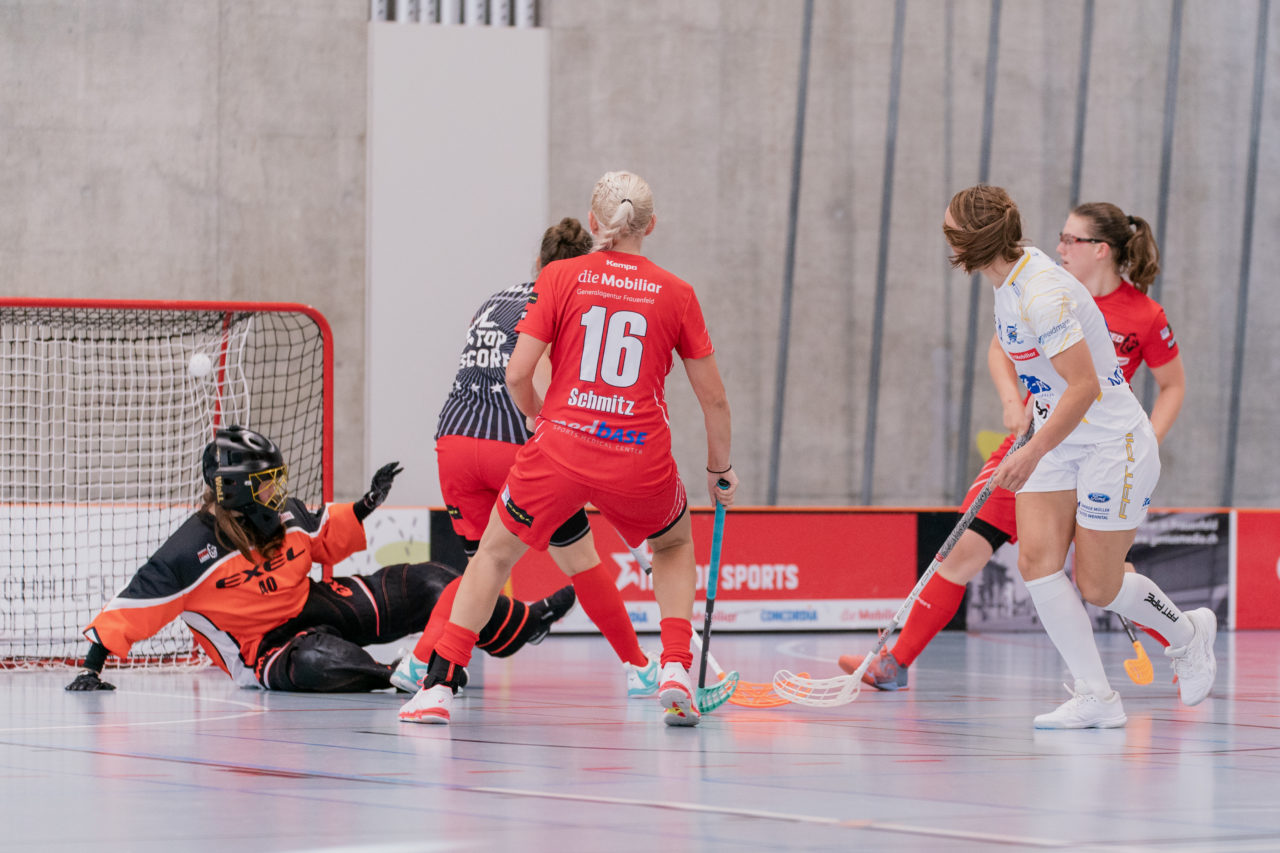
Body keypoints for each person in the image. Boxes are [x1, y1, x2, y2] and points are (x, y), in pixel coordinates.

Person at [399, 170, 737, 726]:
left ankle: (437, 687)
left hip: (559, 448)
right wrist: (719, 469)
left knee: (492, 557)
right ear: (651, 225)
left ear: (594, 221)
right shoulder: (677, 293)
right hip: (638, 452)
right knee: (673, 544)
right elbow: (715, 400)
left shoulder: (559, 277)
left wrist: (540, 415)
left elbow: (517, 374)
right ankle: (675, 666)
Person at [839, 201, 1187, 691]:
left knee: (1102, 579)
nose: (1060, 246)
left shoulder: (1139, 314)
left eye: (1072, 239)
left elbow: (1171, 385)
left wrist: (1148, 438)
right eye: (1061, 237)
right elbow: (1000, 348)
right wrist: (1011, 402)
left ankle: (1184, 644)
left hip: (1101, 448)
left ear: (1101, 250)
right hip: (1037, 444)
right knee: (965, 549)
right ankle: (895, 661)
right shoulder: (1031, 284)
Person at [918, 184, 1214, 729]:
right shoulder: (1007, 283)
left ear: (974, 241)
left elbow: (1084, 387)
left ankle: (1190, 633)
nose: (946, 240)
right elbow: (1035, 372)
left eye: (950, 231)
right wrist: (1022, 413)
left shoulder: (1043, 294)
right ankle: (1096, 696)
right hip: (1058, 436)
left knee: (1099, 586)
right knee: (1036, 563)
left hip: (1110, 443)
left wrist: (1032, 451)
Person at [65, 426, 573, 693]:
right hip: (264, 650)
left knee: (434, 582)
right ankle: (399, 675)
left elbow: (326, 537)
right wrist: (92, 668)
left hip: (314, 604)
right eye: (267, 482)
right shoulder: (190, 551)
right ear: (237, 490)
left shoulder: (285, 513)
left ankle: (521, 626)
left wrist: (367, 504)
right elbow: (135, 604)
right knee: (317, 663)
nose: (279, 489)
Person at [391, 217, 661, 698]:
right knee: (582, 561)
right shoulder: (570, 305)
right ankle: (639, 668)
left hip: (454, 442)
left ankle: (417, 663)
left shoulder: (493, 301)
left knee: (483, 567)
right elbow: (539, 382)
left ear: (538, 261)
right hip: (516, 450)